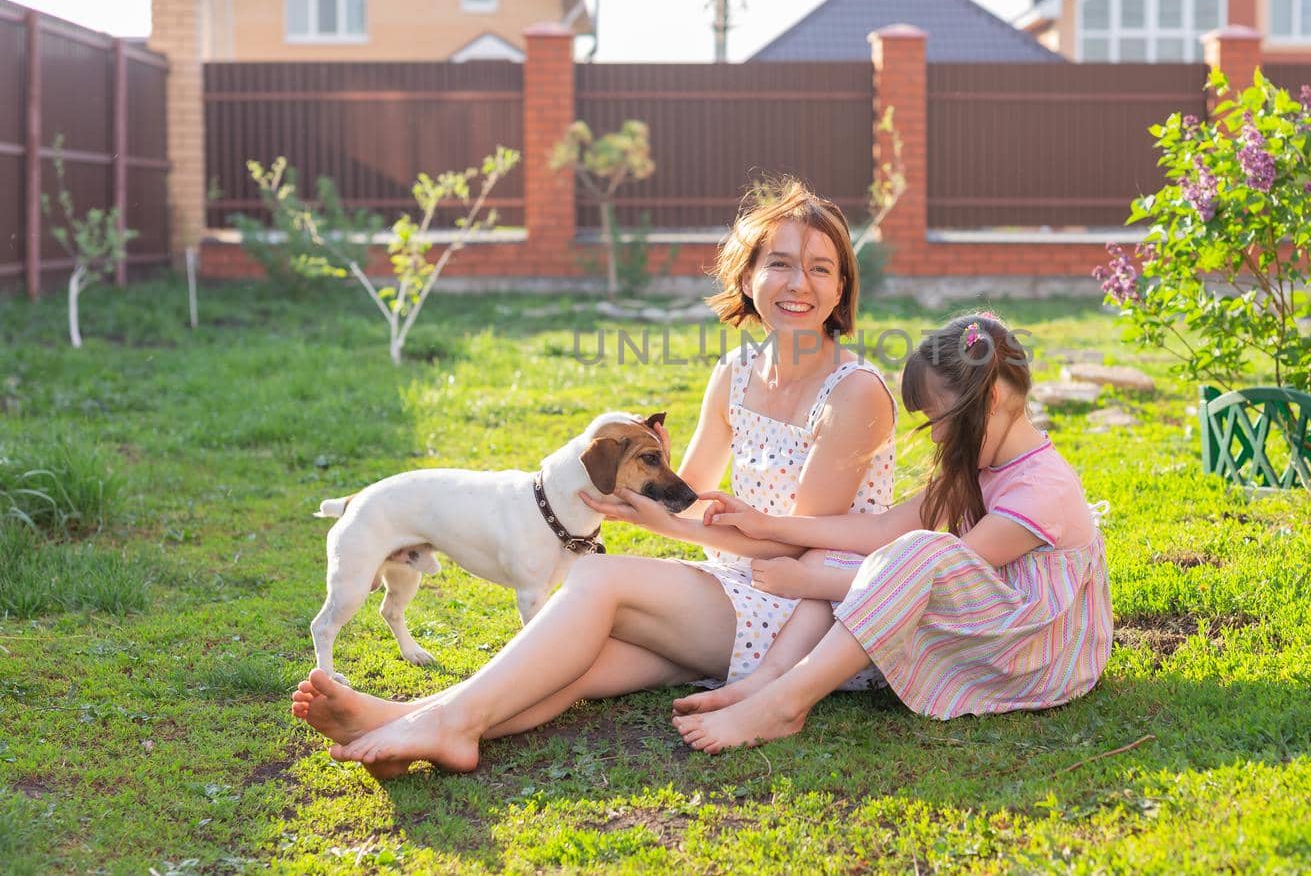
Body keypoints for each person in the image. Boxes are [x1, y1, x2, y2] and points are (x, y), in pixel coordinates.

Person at [289, 180, 897, 777]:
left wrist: (670, 528)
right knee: (577, 657)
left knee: (598, 576)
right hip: (736, 589)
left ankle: (431, 724)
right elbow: (684, 497)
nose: (799, 284)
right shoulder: (734, 374)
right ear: (747, 276)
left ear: (842, 286)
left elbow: (799, 544)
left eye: (820, 269)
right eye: (781, 264)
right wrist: (631, 484)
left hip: (809, 617)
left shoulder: (854, 393)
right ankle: (410, 721)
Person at [670, 313, 1112, 753]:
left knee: (920, 551)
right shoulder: (978, 468)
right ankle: (766, 681)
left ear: (991, 399)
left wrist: (809, 581)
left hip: (1033, 654)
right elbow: (882, 528)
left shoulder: (1040, 491)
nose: (938, 436)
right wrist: (768, 524)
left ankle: (787, 704)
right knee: (834, 555)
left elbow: (930, 578)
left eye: (942, 419)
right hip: (986, 622)